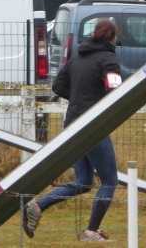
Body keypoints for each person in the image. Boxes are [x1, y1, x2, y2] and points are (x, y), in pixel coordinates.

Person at [23, 19, 121, 242]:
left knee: (84, 182)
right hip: (93, 126)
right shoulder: (109, 59)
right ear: (112, 38)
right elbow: (114, 90)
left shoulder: (77, 59)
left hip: (72, 124)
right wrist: (93, 102)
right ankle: (91, 232)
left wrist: (79, 99)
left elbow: (57, 86)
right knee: (109, 182)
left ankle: (38, 206)